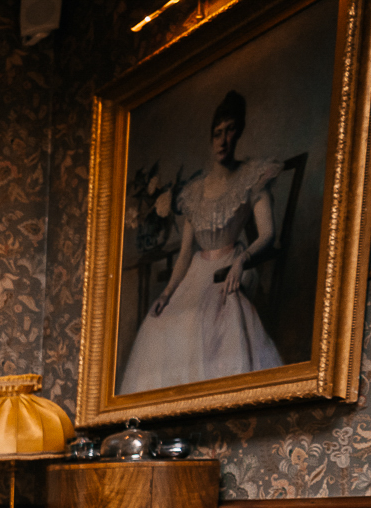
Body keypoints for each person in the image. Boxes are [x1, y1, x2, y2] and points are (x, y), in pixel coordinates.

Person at [119, 91, 284, 394]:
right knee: (163, 321)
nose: (223, 140)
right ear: (211, 138)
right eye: (217, 133)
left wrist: (241, 260)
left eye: (230, 130)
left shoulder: (251, 177)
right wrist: (167, 294)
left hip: (233, 264)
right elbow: (184, 255)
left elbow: (267, 235)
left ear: (240, 132)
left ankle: (222, 394)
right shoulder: (194, 192)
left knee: (216, 311)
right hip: (198, 270)